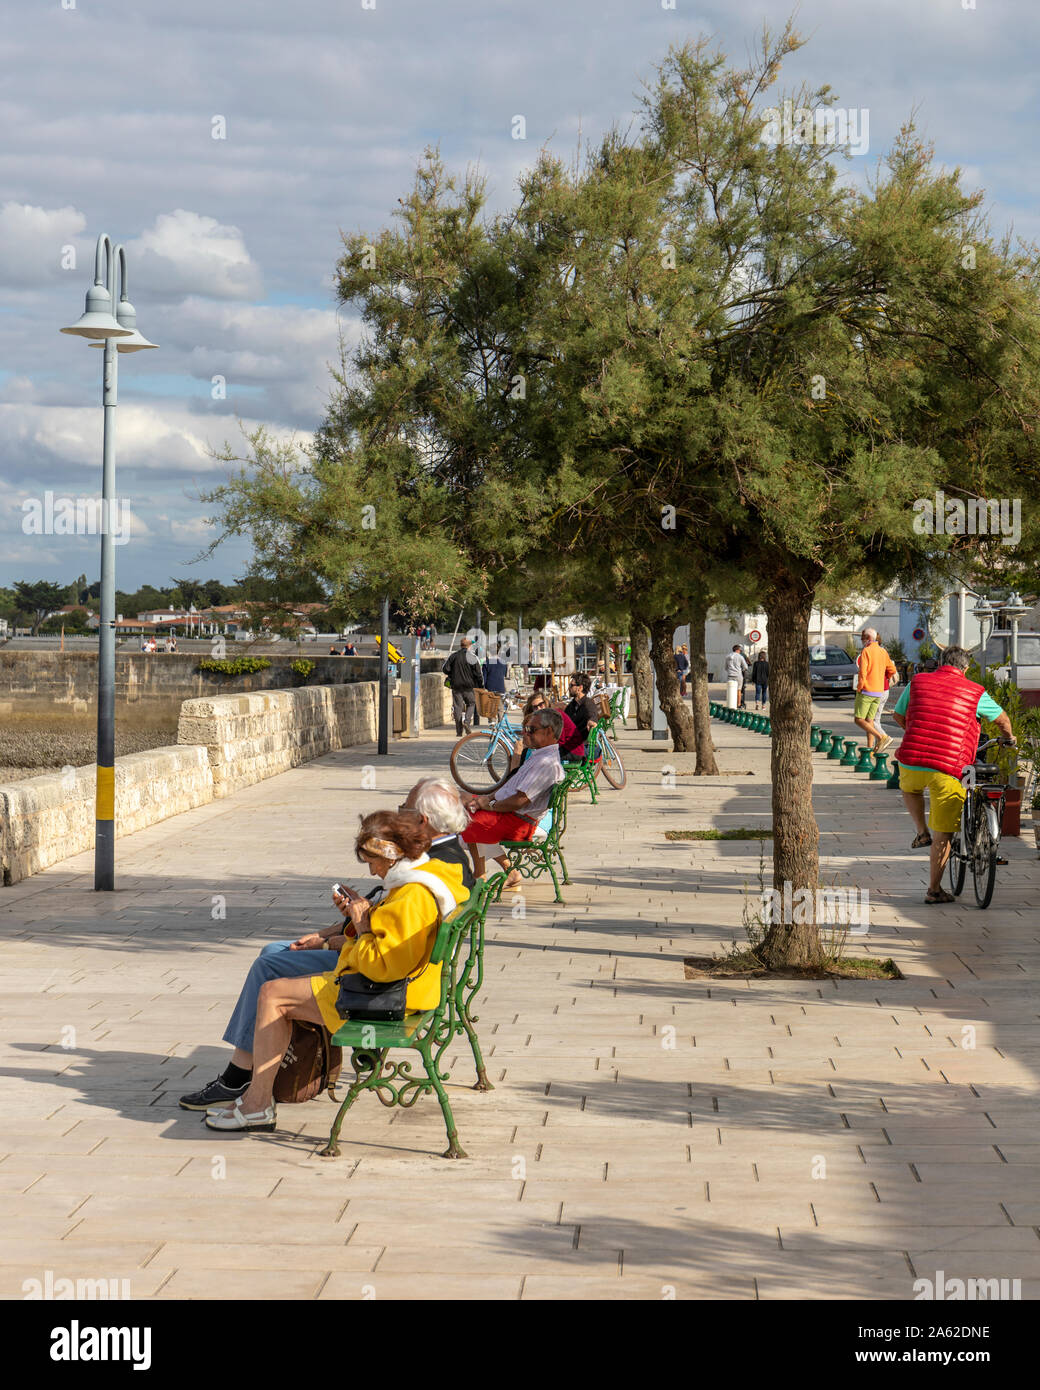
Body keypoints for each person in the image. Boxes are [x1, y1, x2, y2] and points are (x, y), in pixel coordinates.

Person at [178, 779, 474, 1112]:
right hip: (393, 980)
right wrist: (343, 930)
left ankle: (250, 1089)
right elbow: (391, 935)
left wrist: (354, 930)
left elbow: (382, 964)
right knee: (272, 962)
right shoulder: (426, 873)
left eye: (372, 862)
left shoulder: (416, 889)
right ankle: (256, 1079)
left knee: (271, 986)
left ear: (395, 852)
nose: (373, 871)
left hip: (388, 992)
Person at [891, 645, 1015, 905]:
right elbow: (1002, 720)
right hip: (948, 768)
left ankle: (920, 831)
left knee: (910, 788)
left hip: (912, 761)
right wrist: (1009, 738)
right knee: (943, 835)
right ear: (966, 668)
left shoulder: (917, 682)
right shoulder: (974, 691)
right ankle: (934, 891)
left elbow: (898, 715)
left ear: (939, 662)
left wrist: (914, 731)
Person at [460, 707, 565, 882]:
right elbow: (511, 786)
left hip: (519, 822)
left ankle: (479, 876)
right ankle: (502, 872)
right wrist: (486, 799)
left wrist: (488, 805)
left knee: (467, 819)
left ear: (548, 732)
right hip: (511, 814)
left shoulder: (547, 763)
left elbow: (519, 801)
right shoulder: (539, 755)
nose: (525, 733)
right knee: (458, 800)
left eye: (531, 729)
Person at [854, 629, 898, 754]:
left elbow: (863, 672)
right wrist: (885, 678)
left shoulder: (866, 651)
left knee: (858, 719)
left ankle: (881, 737)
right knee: (870, 720)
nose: (862, 640)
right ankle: (871, 750)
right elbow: (892, 669)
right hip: (879, 691)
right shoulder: (883, 651)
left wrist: (860, 687)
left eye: (863, 638)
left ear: (868, 638)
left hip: (867, 690)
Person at [442, 636, 485, 737]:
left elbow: (445, 669)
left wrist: (453, 672)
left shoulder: (453, 656)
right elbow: (478, 674)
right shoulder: (473, 657)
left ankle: (459, 731)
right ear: (469, 646)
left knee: (458, 707)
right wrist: (481, 686)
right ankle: (467, 721)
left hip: (456, 686)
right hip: (469, 686)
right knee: (471, 703)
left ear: (461, 645)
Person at [560, 671, 601, 759]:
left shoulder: (588, 703)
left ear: (580, 688)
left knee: (550, 755)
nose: (569, 688)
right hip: (573, 744)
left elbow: (592, 715)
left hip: (585, 748)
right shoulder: (572, 705)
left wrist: (592, 722)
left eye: (571, 685)